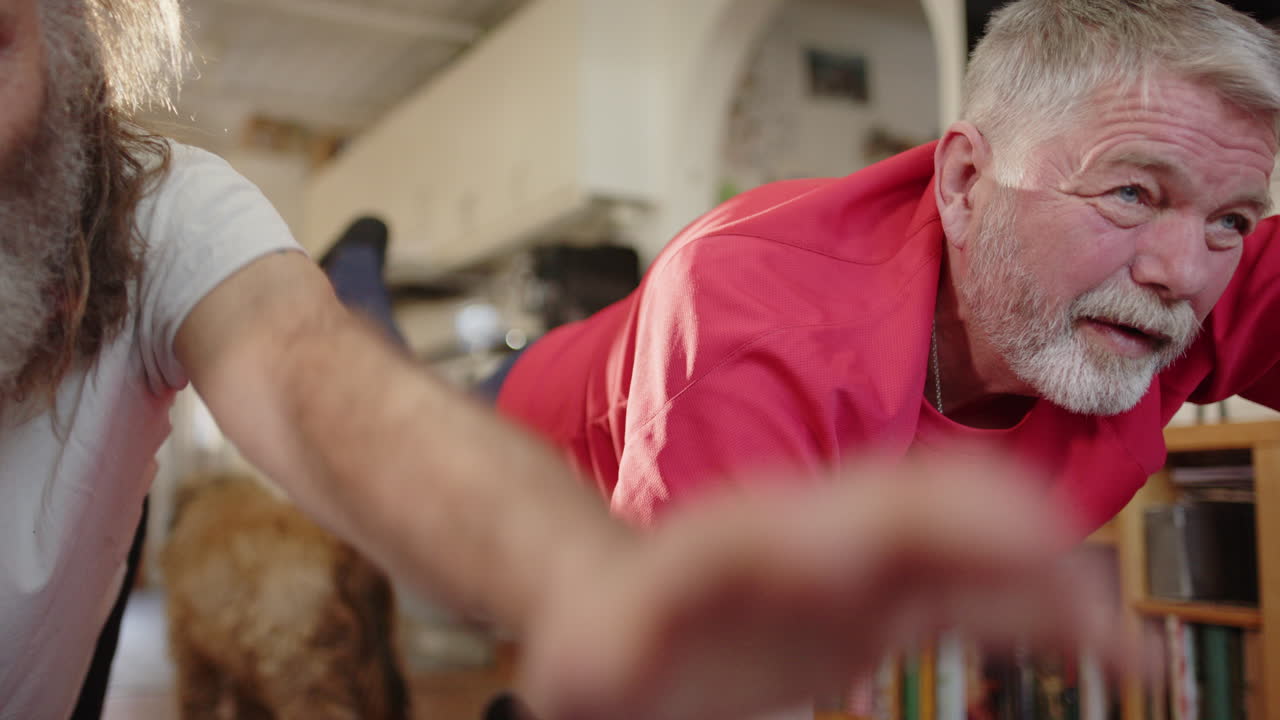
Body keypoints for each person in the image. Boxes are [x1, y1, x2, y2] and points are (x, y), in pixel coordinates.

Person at [0, 1, 1150, 720]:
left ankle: (356, 285)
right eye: (1133, 194)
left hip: (542, 410)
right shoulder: (761, 288)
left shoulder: (155, 213)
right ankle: (360, 282)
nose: (1173, 259)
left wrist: (615, 586)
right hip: (549, 398)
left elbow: (308, 376)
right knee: (420, 360)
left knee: (389, 359)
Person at [498, 0, 1280, 540]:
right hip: (522, 455)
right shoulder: (758, 315)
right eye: (1131, 191)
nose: (1182, 273)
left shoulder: (1186, 281)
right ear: (968, 183)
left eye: (1231, 219)